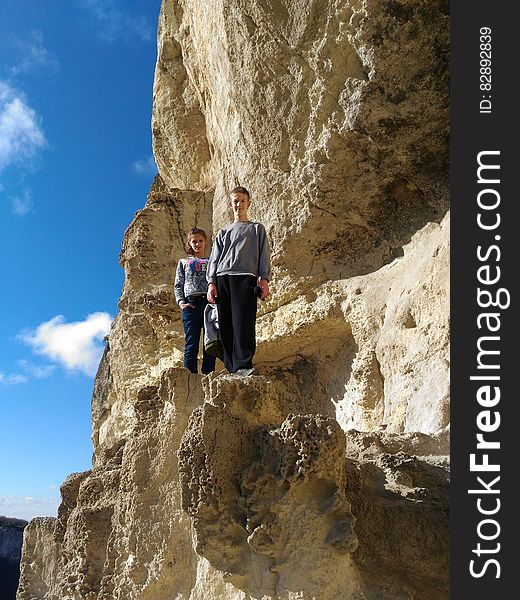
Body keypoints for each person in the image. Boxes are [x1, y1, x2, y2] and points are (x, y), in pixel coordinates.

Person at [206, 186, 271, 376]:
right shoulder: (223, 232)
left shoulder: (257, 229)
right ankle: (231, 366)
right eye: (235, 201)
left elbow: (263, 256)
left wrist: (264, 279)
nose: (238, 204)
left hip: (246, 278)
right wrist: (211, 283)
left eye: (242, 201)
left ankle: (243, 365)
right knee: (226, 324)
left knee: (244, 322)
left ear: (248, 203)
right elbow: (214, 259)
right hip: (223, 278)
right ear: (230, 204)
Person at [174, 227, 216, 374]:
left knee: (209, 341)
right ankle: (189, 378)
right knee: (191, 344)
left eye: (200, 241)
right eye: (194, 241)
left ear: (205, 242)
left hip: (210, 304)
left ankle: (207, 376)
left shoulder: (212, 261)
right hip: (191, 304)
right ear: (189, 243)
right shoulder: (184, 262)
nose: (197, 244)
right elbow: (178, 284)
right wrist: (181, 303)